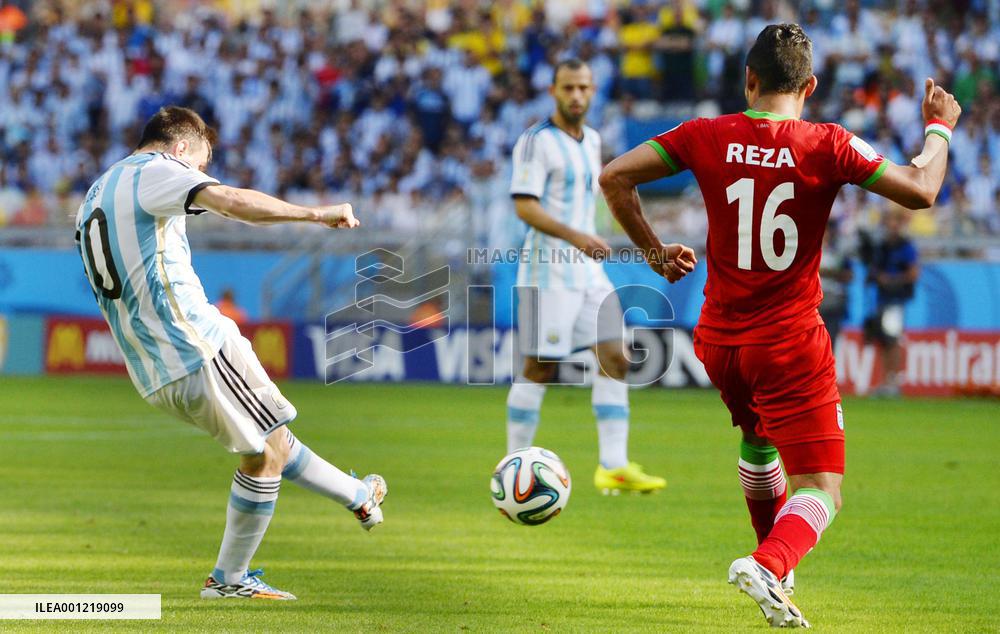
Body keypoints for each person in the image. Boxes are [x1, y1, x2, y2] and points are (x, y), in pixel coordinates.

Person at [600, 24, 960, 627]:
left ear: (749, 80)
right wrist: (939, 128)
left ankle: (778, 574)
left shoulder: (705, 134)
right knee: (822, 488)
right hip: (789, 340)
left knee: (757, 439)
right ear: (811, 86)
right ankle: (769, 563)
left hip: (717, 339)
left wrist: (657, 252)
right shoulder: (828, 144)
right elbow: (922, 188)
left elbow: (613, 176)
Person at [74, 107, 387, 601]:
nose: (199, 174)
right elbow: (232, 202)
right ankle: (229, 580)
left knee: (270, 441)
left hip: (152, 367)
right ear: (180, 148)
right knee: (265, 452)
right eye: (200, 163)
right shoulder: (157, 171)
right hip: (194, 343)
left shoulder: (97, 191)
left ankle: (357, 497)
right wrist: (314, 213)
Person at [507, 59, 666, 495]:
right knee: (539, 368)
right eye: (568, 88)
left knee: (616, 357)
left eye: (583, 88)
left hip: (587, 271)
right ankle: (510, 466)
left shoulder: (592, 140)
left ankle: (612, 466)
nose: (576, 95)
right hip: (546, 271)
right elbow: (524, 205)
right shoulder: (534, 142)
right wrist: (577, 235)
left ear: (593, 90)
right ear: (553, 90)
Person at [864, 209, 919, 397]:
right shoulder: (882, 247)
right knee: (883, 340)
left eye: (896, 221)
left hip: (896, 300)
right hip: (882, 298)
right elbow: (874, 270)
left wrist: (892, 279)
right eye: (889, 221)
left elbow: (913, 273)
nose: (892, 225)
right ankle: (884, 381)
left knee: (893, 340)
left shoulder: (906, 246)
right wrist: (879, 278)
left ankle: (893, 381)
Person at [818, 222, 854, 351]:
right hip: (812, 302)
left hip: (833, 301)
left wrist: (829, 272)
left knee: (830, 341)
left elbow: (849, 275)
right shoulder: (809, 248)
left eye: (828, 230)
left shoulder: (839, 252)